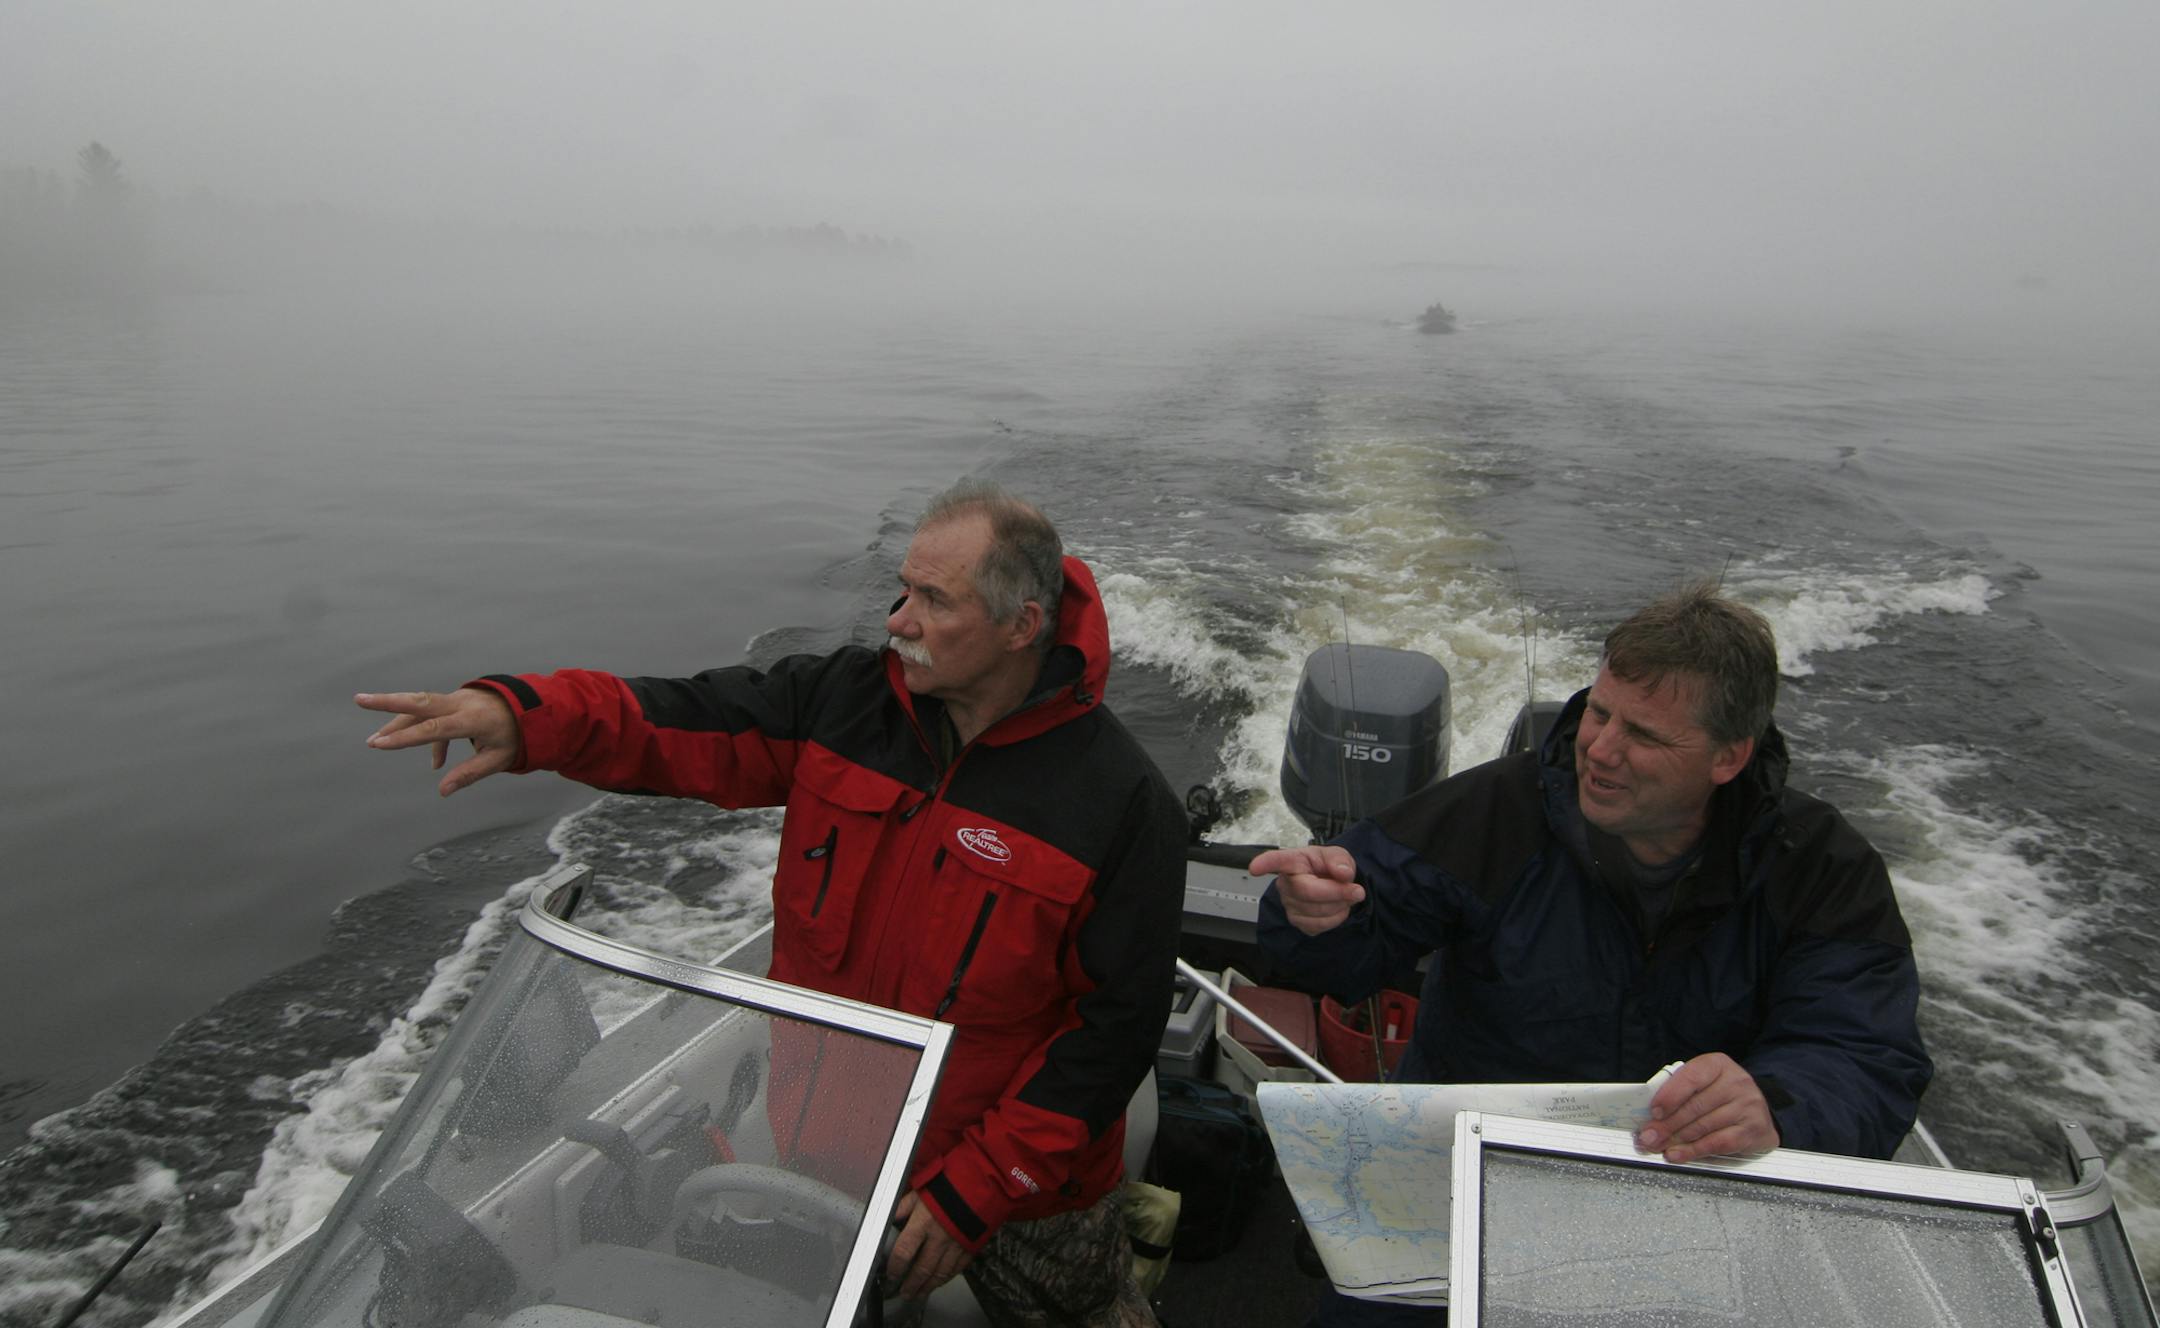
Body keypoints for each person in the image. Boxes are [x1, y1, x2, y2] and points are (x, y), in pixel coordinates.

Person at [359, 480, 1183, 1328]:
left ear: (1022, 625)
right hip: (827, 1138)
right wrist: (525, 717)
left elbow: (1113, 1032)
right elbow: (675, 722)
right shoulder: (840, 705)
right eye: (903, 589)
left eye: (935, 600)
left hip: (1015, 1181)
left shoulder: (1120, 805)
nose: (897, 618)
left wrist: (979, 1190)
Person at [1252, 580, 1932, 1327]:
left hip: (1689, 1206)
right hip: (1460, 1183)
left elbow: (1863, 1053)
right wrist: (1316, 917)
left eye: (1643, 735)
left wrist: (1777, 1105)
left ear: (1729, 757)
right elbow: (1354, 928)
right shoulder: (1498, 812)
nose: (1599, 750)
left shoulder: (1821, 868)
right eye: (1598, 712)